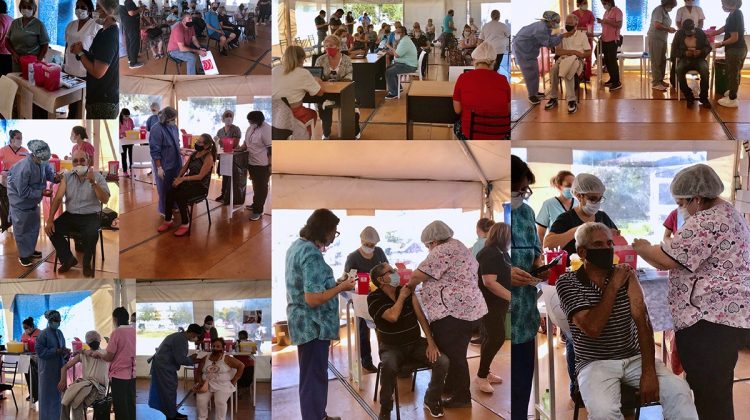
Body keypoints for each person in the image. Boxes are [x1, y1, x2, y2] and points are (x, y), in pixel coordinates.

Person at [632, 164, 750, 419]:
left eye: (681, 202)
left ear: (696, 199)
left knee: (710, 394)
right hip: (722, 318)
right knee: (715, 391)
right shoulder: (728, 213)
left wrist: (641, 247)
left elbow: (666, 259)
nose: (680, 208)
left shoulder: (707, 220)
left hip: (709, 320)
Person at [557, 222, 699, 419]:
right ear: (582, 252)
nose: (606, 249)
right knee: (603, 411)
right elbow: (592, 327)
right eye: (598, 245)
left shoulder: (627, 275)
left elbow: (643, 322)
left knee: (679, 390)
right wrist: (613, 287)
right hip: (595, 362)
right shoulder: (567, 282)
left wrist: (648, 371)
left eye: (609, 243)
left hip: (633, 358)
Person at [406, 220, 487, 408]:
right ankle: (450, 387)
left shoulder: (442, 251)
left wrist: (408, 286)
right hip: (467, 310)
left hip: (452, 313)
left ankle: (462, 396)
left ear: (433, 241)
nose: (428, 249)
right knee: (455, 353)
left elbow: (418, 275)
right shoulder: (458, 245)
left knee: (455, 356)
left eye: (428, 246)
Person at [286, 209, 355, 420]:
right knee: (313, 377)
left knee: (313, 375)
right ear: (323, 230)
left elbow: (312, 285)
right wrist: (341, 287)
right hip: (312, 325)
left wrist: (333, 284)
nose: (335, 236)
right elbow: (313, 298)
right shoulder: (311, 253)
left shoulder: (297, 246)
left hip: (303, 323)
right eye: (334, 231)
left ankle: (319, 415)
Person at [368, 262, 449, 419]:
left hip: (415, 343)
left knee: (442, 361)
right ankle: (386, 407)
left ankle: (432, 399)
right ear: (381, 279)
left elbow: (421, 317)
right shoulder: (374, 298)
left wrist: (431, 342)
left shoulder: (406, 291)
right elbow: (392, 316)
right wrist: (402, 297)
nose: (395, 273)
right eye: (390, 271)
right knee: (388, 365)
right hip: (391, 347)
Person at [509, 155, 545, 420]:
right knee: (509, 364)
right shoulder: (496, 215)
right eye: (518, 190)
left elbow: (536, 252)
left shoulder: (527, 212)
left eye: (525, 191)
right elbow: (482, 263)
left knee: (524, 371)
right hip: (504, 308)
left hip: (527, 307)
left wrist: (538, 267)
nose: (522, 195)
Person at [45, 149, 111, 277]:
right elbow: (58, 198)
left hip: (91, 215)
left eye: (82, 160)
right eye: (75, 161)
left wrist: (93, 183)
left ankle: (87, 264)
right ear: (72, 163)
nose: (79, 163)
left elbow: (105, 199)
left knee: (91, 233)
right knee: (51, 229)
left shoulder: (97, 176)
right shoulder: (67, 177)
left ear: (88, 161)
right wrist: (50, 219)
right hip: (71, 215)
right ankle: (68, 259)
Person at [344, 226, 388, 373]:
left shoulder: (379, 252)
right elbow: (348, 278)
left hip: (379, 295)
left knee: (382, 327)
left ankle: (386, 359)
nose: (370, 248)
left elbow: (388, 268)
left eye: (372, 246)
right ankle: (366, 361)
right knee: (363, 329)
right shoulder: (353, 257)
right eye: (367, 245)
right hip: (361, 297)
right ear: (361, 241)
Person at [474, 223, 511, 394]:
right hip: (489, 303)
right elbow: (489, 282)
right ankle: (481, 376)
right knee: (496, 338)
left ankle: (485, 372)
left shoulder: (501, 253)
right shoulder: (489, 254)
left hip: (498, 303)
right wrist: (512, 297)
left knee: (490, 338)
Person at [7, 140, 56, 267]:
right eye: (42, 159)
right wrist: (41, 193)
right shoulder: (24, 167)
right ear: (33, 155)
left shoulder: (42, 161)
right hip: (20, 202)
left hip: (33, 201)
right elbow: (22, 191)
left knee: (33, 228)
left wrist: (55, 178)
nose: (44, 161)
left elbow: (48, 171)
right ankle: (23, 256)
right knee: (22, 230)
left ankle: (29, 250)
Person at [544, 173, 618, 257]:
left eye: (599, 199)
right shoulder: (566, 218)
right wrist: (580, 229)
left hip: (601, 267)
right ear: (579, 196)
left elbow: (619, 244)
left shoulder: (602, 217)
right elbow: (548, 246)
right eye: (592, 199)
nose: (596, 203)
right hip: (574, 268)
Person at [157, 134, 215, 236]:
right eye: (197, 141)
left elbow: (200, 176)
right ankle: (168, 220)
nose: (197, 143)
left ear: (206, 146)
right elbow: (184, 168)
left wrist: (183, 179)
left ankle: (185, 223)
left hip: (200, 186)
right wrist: (178, 178)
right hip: (189, 182)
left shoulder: (208, 158)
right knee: (170, 191)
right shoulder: (195, 154)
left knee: (180, 194)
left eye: (200, 142)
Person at [70, 0, 120, 119]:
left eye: (98, 7)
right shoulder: (102, 31)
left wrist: (81, 53)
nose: (94, 11)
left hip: (104, 102)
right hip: (96, 96)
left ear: (110, 11)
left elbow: (98, 72)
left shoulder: (110, 35)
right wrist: (81, 50)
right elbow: (97, 58)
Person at [452, 42, 511, 140]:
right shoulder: (503, 80)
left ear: (474, 60)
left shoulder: (463, 78)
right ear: (493, 61)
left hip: (471, 135)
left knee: (457, 124)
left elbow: (457, 110)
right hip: (500, 137)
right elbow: (508, 110)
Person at [148, 324, 202, 420]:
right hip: (164, 367)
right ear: (193, 333)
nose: (196, 339)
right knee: (169, 390)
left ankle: (171, 412)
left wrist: (190, 359)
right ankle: (170, 415)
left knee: (170, 389)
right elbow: (180, 359)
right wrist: (192, 359)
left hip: (164, 365)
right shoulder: (181, 339)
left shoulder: (179, 336)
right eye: (197, 336)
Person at [90, 307, 136, 420]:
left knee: (121, 408)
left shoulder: (117, 333)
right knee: (130, 405)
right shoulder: (134, 331)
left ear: (115, 319)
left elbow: (109, 357)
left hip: (119, 376)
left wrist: (98, 354)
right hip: (132, 374)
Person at [313, 35, 361, 139]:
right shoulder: (320, 60)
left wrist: (337, 82)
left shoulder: (346, 59)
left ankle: (355, 131)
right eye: (326, 46)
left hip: (344, 91)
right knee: (323, 107)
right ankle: (326, 133)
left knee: (353, 109)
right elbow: (316, 77)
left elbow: (349, 77)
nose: (328, 48)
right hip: (325, 92)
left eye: (331, 45)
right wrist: (322, 81)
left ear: (338, 46)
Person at [512, 11, 566, 104]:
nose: (556, 23)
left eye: (557, 21)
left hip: (529, 50)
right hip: (522, 50)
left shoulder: (546, 27)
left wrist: (556, 37)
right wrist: (561, 36)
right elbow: (549, 42)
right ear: (548, 20)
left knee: (535, 72)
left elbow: (546, 39)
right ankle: (531, 96)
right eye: (555, 21)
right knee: (529, 74)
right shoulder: (541, 28)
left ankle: (535, 92)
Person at [271, 46, 324, 137]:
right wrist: (316, 81)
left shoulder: (275, 70)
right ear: (302, 59)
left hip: (274, 112)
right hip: (293, 112)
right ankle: (303, 140)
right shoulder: (303, 73)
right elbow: (319, 93)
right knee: (312, 114)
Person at [545, 14, 591, 114]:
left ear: (576, 24)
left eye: (570, 23)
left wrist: (577, 54)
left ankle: (571, 100)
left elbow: (588, 52)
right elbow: (558, 52)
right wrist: (574, 51)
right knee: (553, 70)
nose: (568, 25)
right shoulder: (562, 36)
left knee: (569, 70)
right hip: (563, 59)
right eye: (566, 23)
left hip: (577, 60)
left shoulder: (582, 35)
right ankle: (553, 98)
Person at [58, 330, 109, 420]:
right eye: (92, 339)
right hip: (84, 384)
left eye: (94, 339)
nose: (94, 341)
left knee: (76, 402)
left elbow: (94, 354)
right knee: (65, 399)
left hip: (98, 388)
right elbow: (65, 367)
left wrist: (82, 351)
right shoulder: (83, 355)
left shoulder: (105, 353)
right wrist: (62, 380)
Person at [193, 338, 245, 420]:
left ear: (223, 348)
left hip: (223, 385)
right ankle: (202, 418)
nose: (215, 348)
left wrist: (235, 380)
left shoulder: (227, 358)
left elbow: (241, 365)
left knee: (219, 401)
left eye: (218, 346)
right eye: (213, 346)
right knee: (200, 400)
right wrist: (200, 382)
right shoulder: (206, 358)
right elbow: (199, 372)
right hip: (207, 384)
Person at [36, 310, 70, 420]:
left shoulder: (59, 333)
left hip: (58, 370)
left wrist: (65, 351)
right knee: (46, 397)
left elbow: (62, 348)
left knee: (57, 397)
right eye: (56, 321)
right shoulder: (43, 334)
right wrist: (55, 351)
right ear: (50, 321)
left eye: (59, 321)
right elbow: (40, 352)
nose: (58, 323)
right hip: (47, 371)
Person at [238, 111, 271, 221]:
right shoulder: (251, 128)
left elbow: (271, 149)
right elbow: (246, 142)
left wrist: (271, 165)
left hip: (262, 164)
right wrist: (239, 148)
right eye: (249, 121)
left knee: (261, 187)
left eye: (251, 121)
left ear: (258, 120)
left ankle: (258, 211)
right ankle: (255, 204)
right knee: (255, 185)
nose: (250, 122)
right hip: (251, 162)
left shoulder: (266, 129)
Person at [149, 106, 182, 217]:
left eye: (174, 119)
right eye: (172, 118)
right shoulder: (156, 129)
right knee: (164, 188)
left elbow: (176, 142)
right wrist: (159, 167)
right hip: (163, 163)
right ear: (165, 118)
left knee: (175, 184)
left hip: (175, 162)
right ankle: (163, 209)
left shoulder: (174, 127)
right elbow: (155, 150)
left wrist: (181, 151)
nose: (174, 121)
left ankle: (174, 205)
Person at [672, 18, 711, 107]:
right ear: (683, 29)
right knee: (679, 70)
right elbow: (674, 51)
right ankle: (689, 95)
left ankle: (704, 98)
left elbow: (708, 47)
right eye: (687, 32)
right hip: (685, 59)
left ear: (694, 28)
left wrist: (701, 52)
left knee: (705, 71)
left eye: (691, 31)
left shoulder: (700, 33)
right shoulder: (679, 34)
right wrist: (684, 53)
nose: (690, 33)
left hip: (699, 59)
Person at [715, 0, 747, 108]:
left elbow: (734, 38)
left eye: (724, 3)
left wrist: (720, 43)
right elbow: (725, 27)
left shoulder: (734, 16)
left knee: (733, 74)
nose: (722, 6)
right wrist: (714, 32)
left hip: (735, 50)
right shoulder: (736, 13)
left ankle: (732, 99)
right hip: (742, 48)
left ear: (731, 3)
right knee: (736, 72)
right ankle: (733, 91)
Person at [5, 0, 49, 72]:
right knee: (17, 81)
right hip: (17, 61)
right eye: (24, 7)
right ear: (20, 8)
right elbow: (7, 40)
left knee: (30, 82)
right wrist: (13, 53)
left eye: (29, 7)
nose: (26, 9)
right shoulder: (14, 23)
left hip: (32, 62)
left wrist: (38, 61)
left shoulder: (39, 25)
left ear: (34, 9)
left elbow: (45, 45)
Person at [535, 170, 576, 243]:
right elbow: (540, 234)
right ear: (559, 186)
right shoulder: (549, 204)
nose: (572, 188)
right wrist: (542, 252)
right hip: (556, 250)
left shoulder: (579, 204)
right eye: (568, 185)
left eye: (574, 186)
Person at [0, 130, 29, 231]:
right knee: (6, 213)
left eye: (21, 138)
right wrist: (2, 172)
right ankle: (6, 236)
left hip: (20, 187)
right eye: (18, 138)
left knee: (19, 213)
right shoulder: (3, 150)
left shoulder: (25, 151)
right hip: (6, 186)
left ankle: (19, 236)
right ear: (11, 139)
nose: (20, 140)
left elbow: (28, 167)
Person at [64, 0, 100, 79]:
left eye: (83, 8)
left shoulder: (95, 26)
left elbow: (98, 51)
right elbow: (67, 46)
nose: (79, 10)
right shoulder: (70, 25)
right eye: (77, 7)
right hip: (68, 69)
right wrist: (64, 64)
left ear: (90, 11)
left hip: (84, 71)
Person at [213, 110, 241, 204]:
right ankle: (223, 194)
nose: (229, 118)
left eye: (230, 116)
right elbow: (218, 143)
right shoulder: (220, 131)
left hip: (233, 157)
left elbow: (235, 143)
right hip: (224, 156)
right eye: (227, 116)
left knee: (232, 177)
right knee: (224, 176)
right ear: (223, 118)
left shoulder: (236, 129)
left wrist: (223, 140)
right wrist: (217, 140)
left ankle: (230, 197)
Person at [648, 0, 677, 91]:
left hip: (662, 38)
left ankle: (660, 80)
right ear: (666, 3)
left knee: (662, 60)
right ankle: (656, 83)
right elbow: (657, 25)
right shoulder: (658, 10)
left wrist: (669, 30)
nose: (671, 8)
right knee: (656, 60)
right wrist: (669, 29)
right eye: (671, 6)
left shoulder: (665, 12)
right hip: (655, 38)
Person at [384, 26, 417, 99]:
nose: (396, 34)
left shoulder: (405, 41)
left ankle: (394, 93)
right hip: (405, 63)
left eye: (398, 32)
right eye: (396, 32)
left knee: (389, 72)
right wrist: (391, 50)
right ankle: (398, 88)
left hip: (409, 66)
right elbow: (397, 52)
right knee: (389, 68)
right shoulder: (404, 40)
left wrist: (389, 47)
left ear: (403, 33)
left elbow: (397, 55)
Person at [597, 0, 624, 91]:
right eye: (602, 3)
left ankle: (617, 82)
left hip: (613, 40)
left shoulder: (617, 11)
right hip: (605, 39)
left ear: (609, 2)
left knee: (612, 61)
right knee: (607, 61)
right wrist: (602, 22)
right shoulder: (606, 12)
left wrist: (607, 22)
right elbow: (606, 25)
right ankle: (612, 79)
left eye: (604, 3)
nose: (604, 5)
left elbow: (619, 25)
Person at [572, 0, 595, 81]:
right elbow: (572, 27)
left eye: (586, 3)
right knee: (577, 56)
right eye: (584, 3)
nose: (586, 5)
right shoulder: (574, 14)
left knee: (588, 57)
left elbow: (591, 27)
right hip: (577, 38)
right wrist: (583, 28)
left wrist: (580, 28)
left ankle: (587, 76)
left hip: (588, 37)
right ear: (579, 4)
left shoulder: (590, 13)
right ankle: (578, 76)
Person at [20, 317, 40, 403]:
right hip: (26, 356)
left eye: (26, 328)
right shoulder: (24, 335)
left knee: (36, 377)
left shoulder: (40, 333)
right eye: (24, 328)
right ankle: (32, 394)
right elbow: (21, 344)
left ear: (31, 326)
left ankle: (38, 394)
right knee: (28, 377)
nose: (25, 330)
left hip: (36, 357)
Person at [120, 0, 144, 69]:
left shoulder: (123, 2)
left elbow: (130, 10)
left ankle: (131, 58)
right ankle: (133, 63)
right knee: (134, 42)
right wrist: (140, 9)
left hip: (128, 25)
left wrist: (137, 7)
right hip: (132, 25)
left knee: (129, 42)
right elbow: (131, 13)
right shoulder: (128, 1)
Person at [119, 108, 135, 177]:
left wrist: (131, 134)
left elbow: (132, 128)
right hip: (123, 141)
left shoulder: (130, 120)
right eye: (126, 116)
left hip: (130, 140)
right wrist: (122, 134)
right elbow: (118, 132)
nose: (127, 117)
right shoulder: (119, 121)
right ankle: (125, 171)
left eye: (128, 116)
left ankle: (132, 170)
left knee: (132, 156)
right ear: (122, 115)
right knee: (124, 156)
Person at [0, 0, 12, 76]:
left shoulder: (0, 19)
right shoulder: (11, 19)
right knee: (7, 78)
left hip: (1, 54)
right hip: (10, 53)